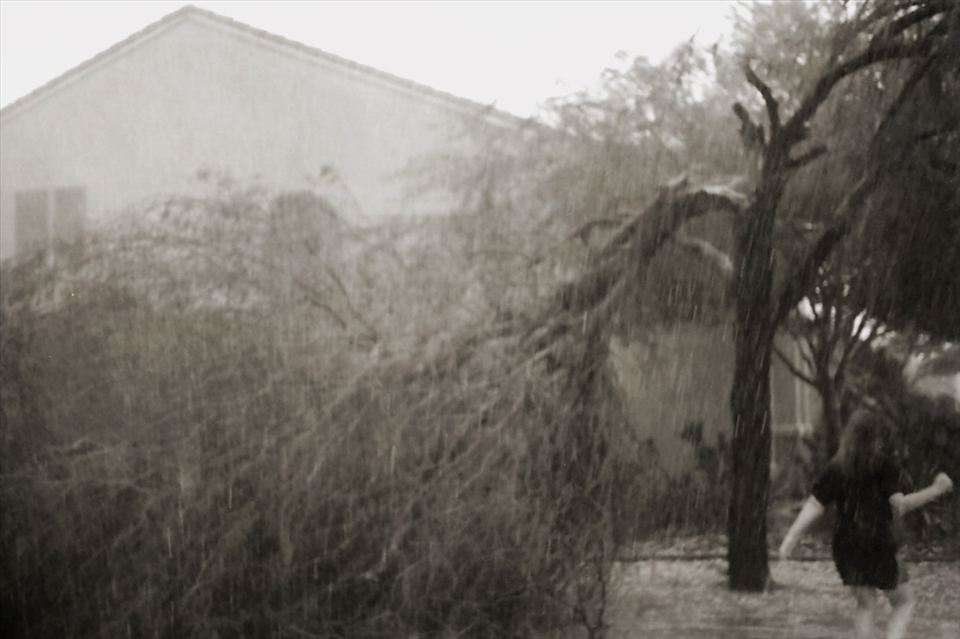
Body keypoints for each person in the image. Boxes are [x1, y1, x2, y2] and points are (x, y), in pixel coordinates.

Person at [778, 409, 954, 639]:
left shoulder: (838, 466)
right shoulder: (883, 466)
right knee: (903, 601)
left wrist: (791, 538)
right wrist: (935, 490)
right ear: (880, 438)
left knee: (865, 605)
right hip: (878, 542)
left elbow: (815, 503)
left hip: (847, 545)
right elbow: (900, 505)